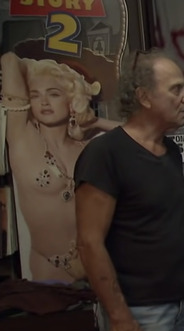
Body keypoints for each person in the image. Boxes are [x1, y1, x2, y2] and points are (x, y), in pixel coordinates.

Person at [74, 49, 184, 331]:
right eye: (176, 88)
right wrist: (122, 322)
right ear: (145, 97)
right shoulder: (104, 155)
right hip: (140, 317)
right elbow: (90, 243)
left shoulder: (170, 151)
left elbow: (171, 217)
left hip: (180, 306)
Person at [0, 52, 120, 283]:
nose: (44, 102)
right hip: (48, 271)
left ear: (72, 99)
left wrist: (95, 122)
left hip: (97, 266)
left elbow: (142, 139)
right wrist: (36, 68)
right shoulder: (23, 140)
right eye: (35, 95)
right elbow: (9, 60)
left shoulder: (87, 147)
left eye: (53, 94)